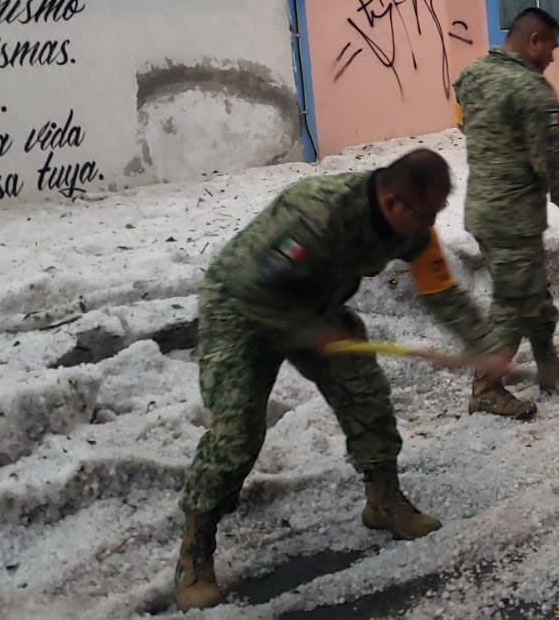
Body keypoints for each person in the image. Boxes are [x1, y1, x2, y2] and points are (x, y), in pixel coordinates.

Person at [174, 149, 515, 610]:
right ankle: (196, 549)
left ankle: (383, 501)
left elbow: (440, 291)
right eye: (427, 213)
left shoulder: (413, 227)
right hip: (242, 310)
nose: (432, 223)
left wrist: (483, 343)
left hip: (315, 307)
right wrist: (313, 334)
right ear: (394, 203)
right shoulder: (316, 212)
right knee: (237, 433)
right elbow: (258, 288)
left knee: (366, 395)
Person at [454, 7, 559, 419]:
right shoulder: (533, 93)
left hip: (482, 208)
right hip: (513, 217)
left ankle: (549, 364)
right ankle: (486, 388)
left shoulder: (472, 77)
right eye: (552, 46)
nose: (553, 57)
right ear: (534, 41)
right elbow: (548, 159)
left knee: (532, 292)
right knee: (513, 302)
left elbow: (470, 127)